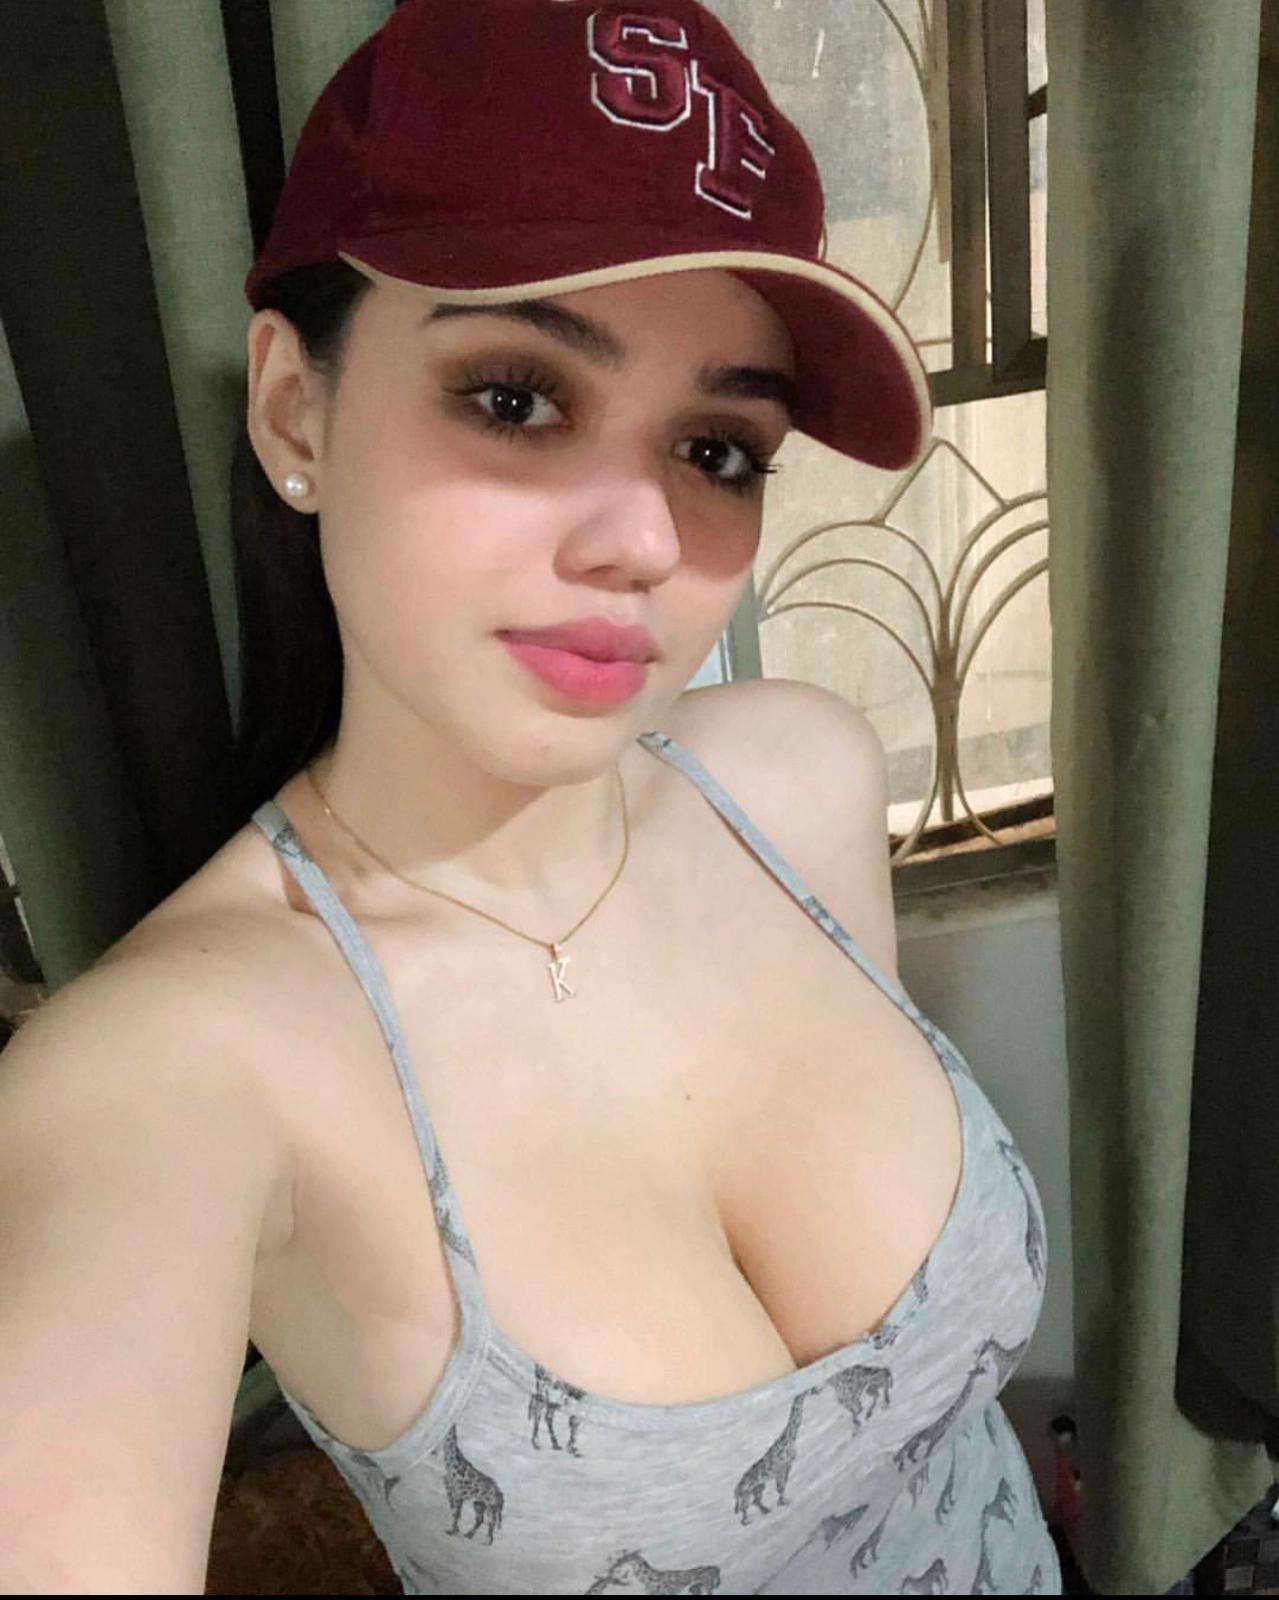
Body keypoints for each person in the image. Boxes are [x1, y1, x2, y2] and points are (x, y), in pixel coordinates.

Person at [0, 0, 1061, 1592]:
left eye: (718, 448)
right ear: (295, 410)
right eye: (516, 398)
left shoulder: (797, 780)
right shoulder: (176, 1070)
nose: (642, 540)